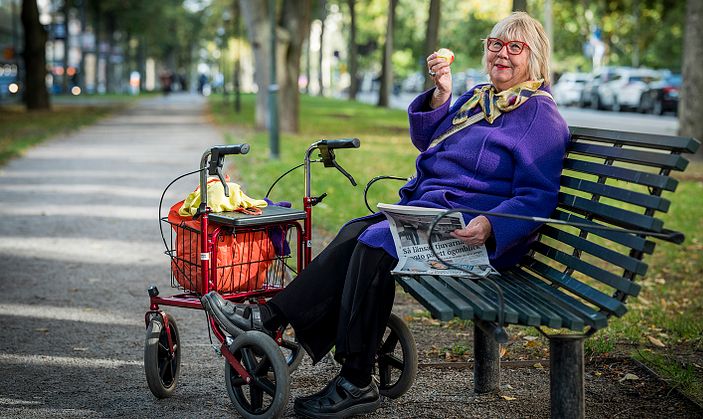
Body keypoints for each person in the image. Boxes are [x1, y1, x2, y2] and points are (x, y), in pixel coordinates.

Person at [202, 11, 569, 419]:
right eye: (495, 44)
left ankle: (356, 380)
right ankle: (269, 317)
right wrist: (441, 95)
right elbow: (428, 139)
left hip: (476, 237)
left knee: (375, 244)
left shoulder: (539, 116)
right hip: (435, 216)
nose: (502, 54)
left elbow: (537, 198)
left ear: (534, 57)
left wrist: (491, 225)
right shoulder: (479, 98)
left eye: (514, 47)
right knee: (356, 230)